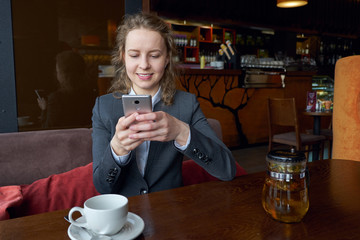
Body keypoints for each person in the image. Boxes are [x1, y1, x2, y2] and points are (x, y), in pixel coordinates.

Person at [91, 13, 236, 197]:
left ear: (167, 58)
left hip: (169, 213)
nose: (144, 65)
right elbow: (102, 187)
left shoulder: (186, 104)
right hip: (124, 215)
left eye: (154, 55)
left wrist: (181, 132)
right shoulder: (103, 107)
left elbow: (227, 170)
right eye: (134, 55)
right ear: (123, 57)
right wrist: (118, 148)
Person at [37, 50, 94, 129]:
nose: (57, 75)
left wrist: (44, 110)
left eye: (58, 72)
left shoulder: (56, 99)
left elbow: (47, 130)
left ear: (64, 75)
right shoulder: (91, 96)